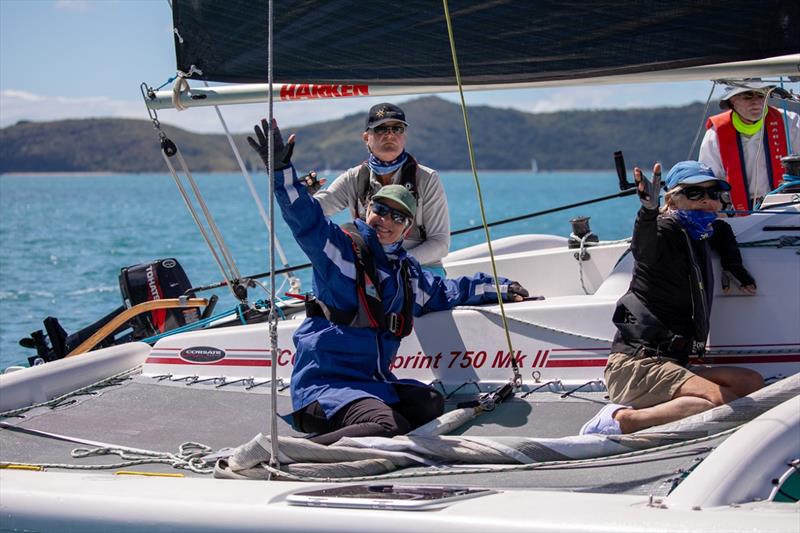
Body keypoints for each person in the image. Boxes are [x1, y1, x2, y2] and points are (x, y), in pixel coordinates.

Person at [248, 119, 529, 445]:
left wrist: (496, 287)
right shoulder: (340, 251)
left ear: (407, 230)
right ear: (368, 209)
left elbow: (447, 291)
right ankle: (286, 453)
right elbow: (304, 219)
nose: (387, 221)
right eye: (381, 209)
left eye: (398, 217)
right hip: (324, 388)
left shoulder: (406, 275)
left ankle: (355, 437)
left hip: (369, 382)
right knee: (388, 425)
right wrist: (281, 170)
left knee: (429, 403)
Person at [580, 160, 763, 435]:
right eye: (695, 193)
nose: (707, 201)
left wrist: (732, 264)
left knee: (751, 383)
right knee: (722, 405)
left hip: (672, 363)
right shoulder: (664, 230)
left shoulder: (700, 231)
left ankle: (667, 407)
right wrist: (648, 212)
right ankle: (620, 420)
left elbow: (722, 230)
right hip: (636, 366)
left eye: (713, 194)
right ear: (673, 199)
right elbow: (644, 246)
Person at [311, 102, 451, 276]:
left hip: (421, 270)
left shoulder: (427, 179)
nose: (390, 135)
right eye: (381, 129)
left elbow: (440, 244)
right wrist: (303, 196)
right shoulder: (353, 178)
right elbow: (313, 212)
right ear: (366, 137)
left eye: (397, 129)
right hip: (372, 274)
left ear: (404, 136)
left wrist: (398, 261)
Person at [699, 80, 800, 212]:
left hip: (788, 207)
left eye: (760, 95)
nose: (756, 101)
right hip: (735, 211)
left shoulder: (790, 122)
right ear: (732, 100)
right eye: (748, 96)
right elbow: (709, 180)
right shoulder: (715, 134)